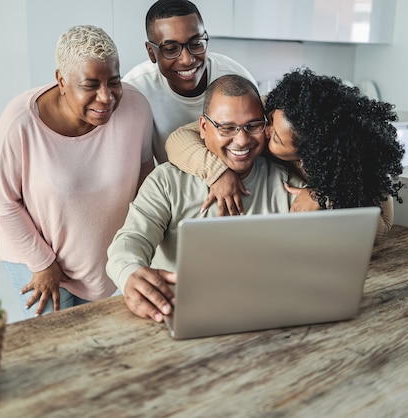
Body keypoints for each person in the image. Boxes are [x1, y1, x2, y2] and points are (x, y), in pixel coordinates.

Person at [0, 25, 155, 317]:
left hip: (101, 260)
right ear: (61, 80)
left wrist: (138, 243)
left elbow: (144, 176)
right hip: (38, 262)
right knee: (55, 353)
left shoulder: (136, 107)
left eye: (114, 82)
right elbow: (2, 202)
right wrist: (42, 263)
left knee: (93, 347)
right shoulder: (20, 122)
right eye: (90, 85)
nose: (106, 97)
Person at [106, 74, 305, 322]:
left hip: (267, 314)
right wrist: (129, 272)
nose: (242, 140)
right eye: (226, 128)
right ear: (203, 128)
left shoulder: (285, 180)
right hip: (180, 314)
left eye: (253, 126)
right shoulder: (167, 181)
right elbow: (131, 240)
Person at [165, 67, 405, 241]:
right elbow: (180, 138)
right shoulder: (281, 107)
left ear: (306, 154)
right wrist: (218, 173)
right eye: (267, 121)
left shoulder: (355, 163)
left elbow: (382, 226)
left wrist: (322, 198)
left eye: (275, 137)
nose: (261, 132)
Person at [123, 0, 257, 163]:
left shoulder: (237, 80)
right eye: (171, 49)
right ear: (151, 52)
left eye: (196, 44)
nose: (187, 60)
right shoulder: (135, 90)